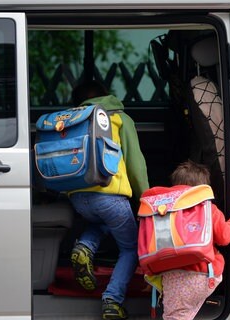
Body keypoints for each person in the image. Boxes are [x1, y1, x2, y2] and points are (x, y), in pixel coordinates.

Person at [69, 80, 149, 320]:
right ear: (107, 95)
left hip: (78, 198)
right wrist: (146, 198)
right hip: (109, 195)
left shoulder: (72, 118)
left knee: (101, 222)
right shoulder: (119, 118)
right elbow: (135, 164)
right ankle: (113, 300)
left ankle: (84, 246)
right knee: (131, 247)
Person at [146, 160, 230, 320]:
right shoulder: (208, 208)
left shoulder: (162, 212)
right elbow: (224, 236)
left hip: (171, 276)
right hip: (202, 275)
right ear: (203, 189)